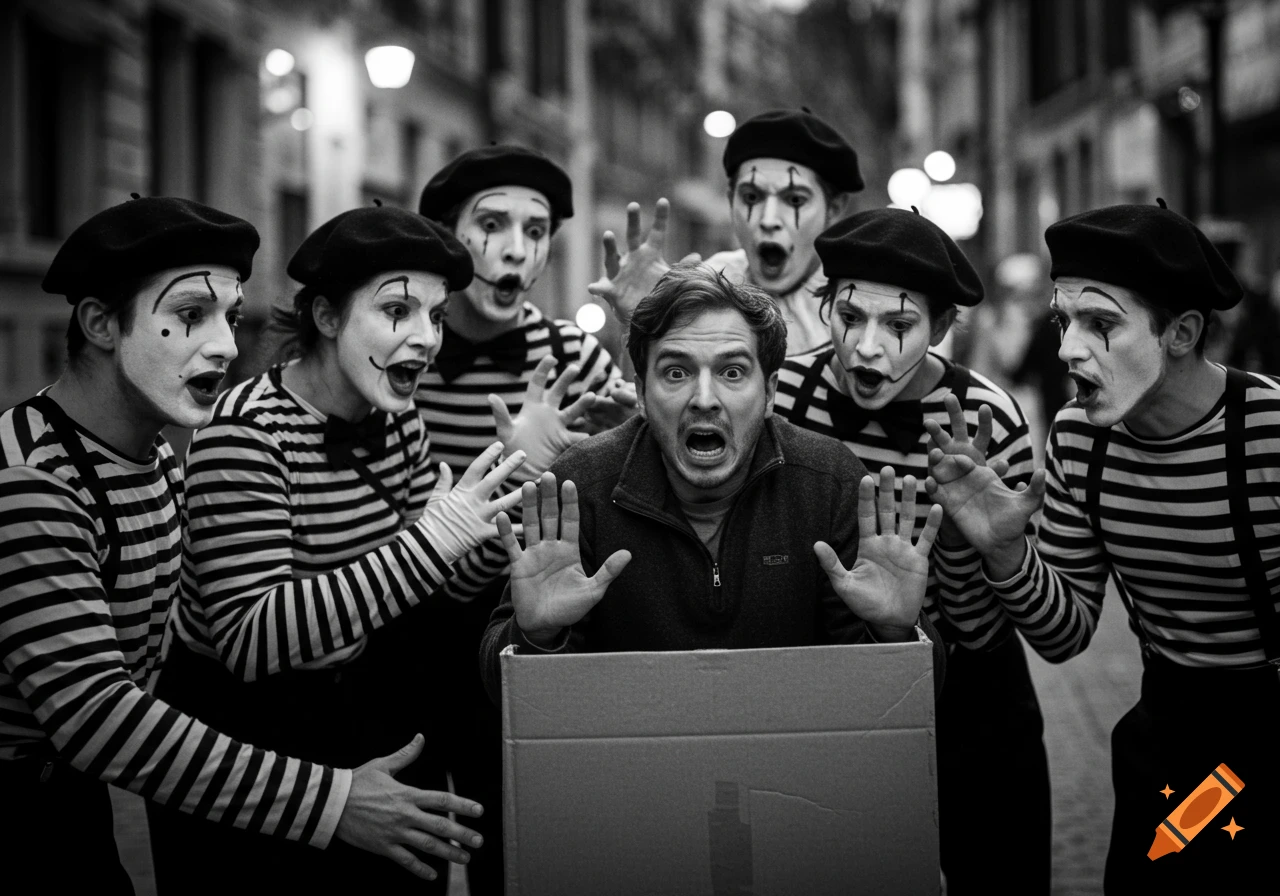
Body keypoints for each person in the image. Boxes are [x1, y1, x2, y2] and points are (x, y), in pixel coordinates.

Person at [0, 196, 488, 893]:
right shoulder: (31, 479)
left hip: (87, 794)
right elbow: (98, 714)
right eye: (192, 316)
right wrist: (329, 801)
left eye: (229, 318)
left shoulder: (155, 459)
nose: (228, 347)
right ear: (101, 324)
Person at [924, 200, 1279, 893]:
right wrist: (1005, 554)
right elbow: (1065, 633)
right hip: (1168, 732)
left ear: (1181, 332)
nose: (1066, 349)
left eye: (1101, 324)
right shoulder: (1081, 439)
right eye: (1064, 321)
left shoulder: (1268, 430)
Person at [480, 263, 947, 703]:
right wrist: (538, 637)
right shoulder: (579, 487)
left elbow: (898, 704)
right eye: (676, 373)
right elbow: (508, 698)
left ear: (770, 393)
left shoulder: (831, 484)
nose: (704, 399)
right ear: (641, 393)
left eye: (732, 372)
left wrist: (894, 634)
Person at [773, 207, 1050, 894]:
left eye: (897, 325)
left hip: (972, 691)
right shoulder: (782, 392)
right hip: (830, 687)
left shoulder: (991, 420)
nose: (867, 347)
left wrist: (963, 550)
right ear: (824, 306)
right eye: (849, 316)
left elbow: (999, 620)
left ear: (941, 328)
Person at [414, 143, 632, 893]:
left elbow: (640, 468)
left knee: (512, 842)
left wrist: (576, 457)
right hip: (395, 630)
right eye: (493, 224)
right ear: (447, 235)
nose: (516, 249)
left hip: (515, 624)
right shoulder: (399, 348)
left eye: (536, 231)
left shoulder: (573, 354)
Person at [589, 108, 862, 356]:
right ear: (731, 200)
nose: (768, 220)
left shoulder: (861, 300)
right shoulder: (704, 286)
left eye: (794, 200)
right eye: (752, 197)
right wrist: (646, 323)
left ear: (834, 209)